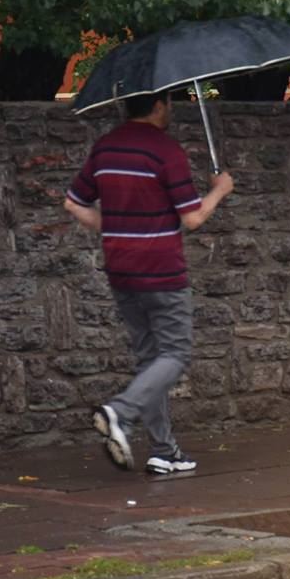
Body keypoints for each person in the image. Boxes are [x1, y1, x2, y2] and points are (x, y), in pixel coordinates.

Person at [63, 91, 233, 475]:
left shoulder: (105, 148)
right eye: (169, 103)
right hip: (161, 270)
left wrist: (115, 231)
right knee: (175, 355)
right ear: (158, 106)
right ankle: (119, 413)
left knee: (150, 359)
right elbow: (192, 219)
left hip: (121, 269)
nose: (170, 110)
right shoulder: (165, 151)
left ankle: (165, 451)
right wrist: (219, 190)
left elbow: (74, 202)